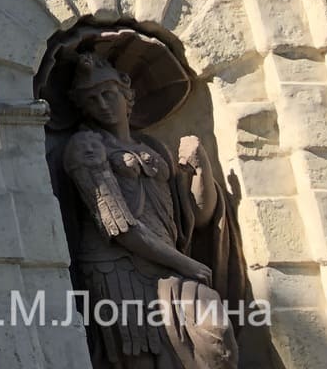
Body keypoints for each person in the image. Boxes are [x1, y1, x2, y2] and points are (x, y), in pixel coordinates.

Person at [62, 55, 238, 368]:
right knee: (142, 359)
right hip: (119, 268)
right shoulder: (85, 146)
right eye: (92, 100)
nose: (102, 104)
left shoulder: (153, 147)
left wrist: (201, 168)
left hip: (168, 263)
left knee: (215, 333)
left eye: (108, 94)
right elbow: (119, 227)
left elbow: (197, 218)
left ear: (126, 95)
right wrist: (187, 264)